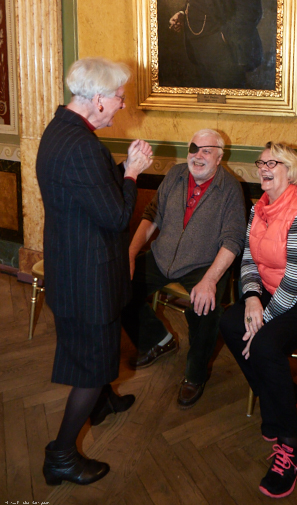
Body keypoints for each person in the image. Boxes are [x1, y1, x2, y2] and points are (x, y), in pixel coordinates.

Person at [36, 58, 153, 486]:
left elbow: (90, 193)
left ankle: (102, 403)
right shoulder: (84, 146)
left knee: (94, 353)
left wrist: (121, 172)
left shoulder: (59, 129)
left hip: (71, 267)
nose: (122, 105)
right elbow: (116, 216)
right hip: (87, 277)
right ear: (99, 99)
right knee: (91, 365)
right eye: (119, 97)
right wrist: (133, 173)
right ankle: (61, 455)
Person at [220, 141, 297, 498]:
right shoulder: (259, 207)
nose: (263, 168)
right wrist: (251, 298)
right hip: (275, 291)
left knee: (264, 344)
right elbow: (248, 258)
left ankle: (292, 447)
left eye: (272, 163)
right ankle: (284, 394)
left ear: (291, 171)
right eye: (261, 162)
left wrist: (262, 321)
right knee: (229, 322)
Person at [122, 128, 246, 409]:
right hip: (162, 256)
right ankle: (157, 340)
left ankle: (195, 374)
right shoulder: (176, 174)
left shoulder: (230, 188)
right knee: (118, 284)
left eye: (206, 151)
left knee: (206, 309)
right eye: (193, 148)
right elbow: (152, 215)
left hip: (204, 264)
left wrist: (210, 280)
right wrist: (130, 253)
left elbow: (233, 240)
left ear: (219, 158)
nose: (197, 156)